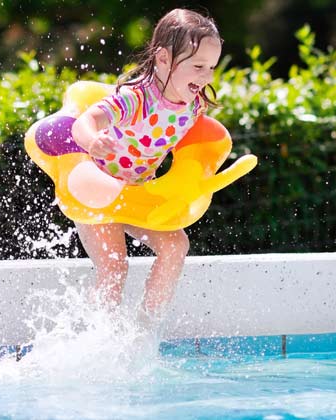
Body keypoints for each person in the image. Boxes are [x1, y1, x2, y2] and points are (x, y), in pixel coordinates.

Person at [70, 8, 222, 326]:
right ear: (164, 58)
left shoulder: (192, 106)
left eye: (211, 67)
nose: (206, 77)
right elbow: (85, 122)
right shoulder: (135, 99)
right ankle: (93, 338)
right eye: (197, 66)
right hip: (99, 192)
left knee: (176, 246)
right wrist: (93, 140)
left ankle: (144, 330)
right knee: (115, 266)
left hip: (137, 194)